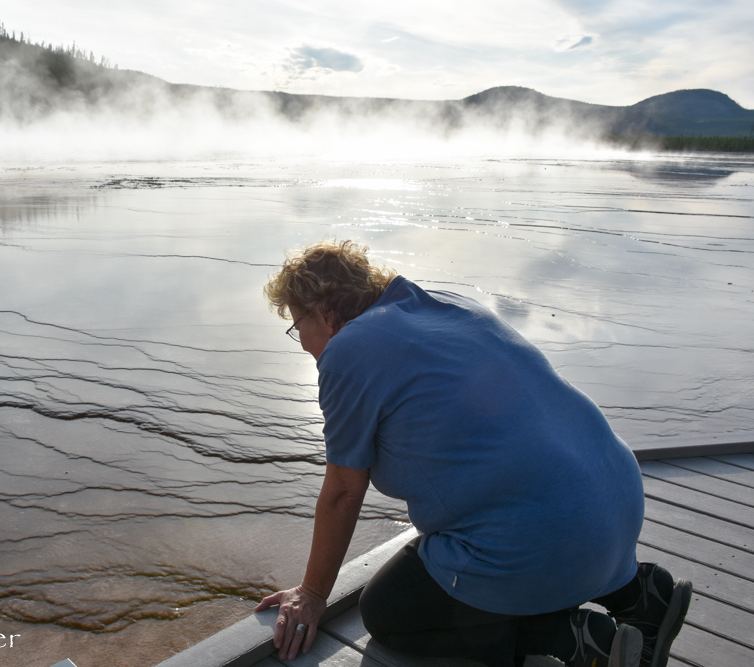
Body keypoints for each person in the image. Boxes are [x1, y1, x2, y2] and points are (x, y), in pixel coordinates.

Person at [254, 240, 691, 667]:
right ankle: (640, 595)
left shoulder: (348, 351)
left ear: (327, 315)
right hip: (618, 506)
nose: (303, 342)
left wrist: (312, 593)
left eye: (298, 326)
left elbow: (343, 492)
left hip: (550, 537)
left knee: (391, 611)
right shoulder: (449, 304)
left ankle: (576, 640)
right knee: (524, 514)